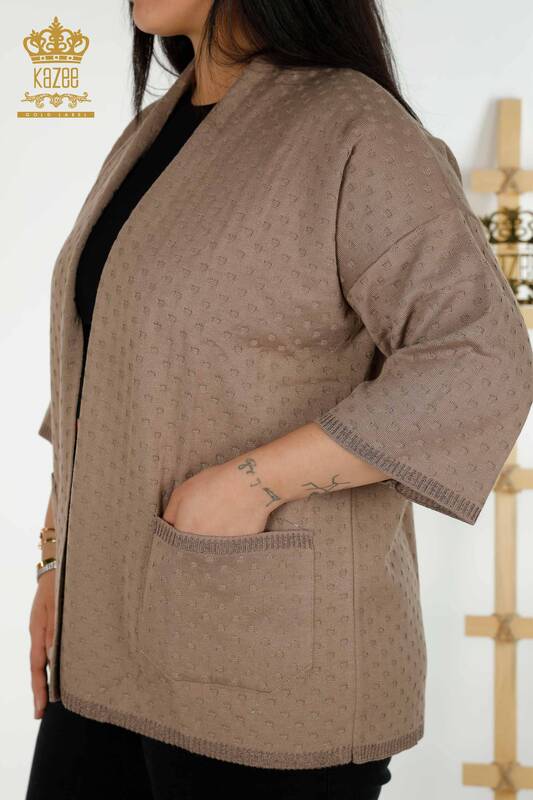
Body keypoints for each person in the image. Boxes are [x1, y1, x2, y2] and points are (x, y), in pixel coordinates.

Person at [26, 0, 533, 798]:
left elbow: (478, 355)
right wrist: (57, 561)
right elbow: (103, 368)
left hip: (267, 675)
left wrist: (251, 484)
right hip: (100, 656)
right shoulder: (153, 132)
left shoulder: (352, 128)